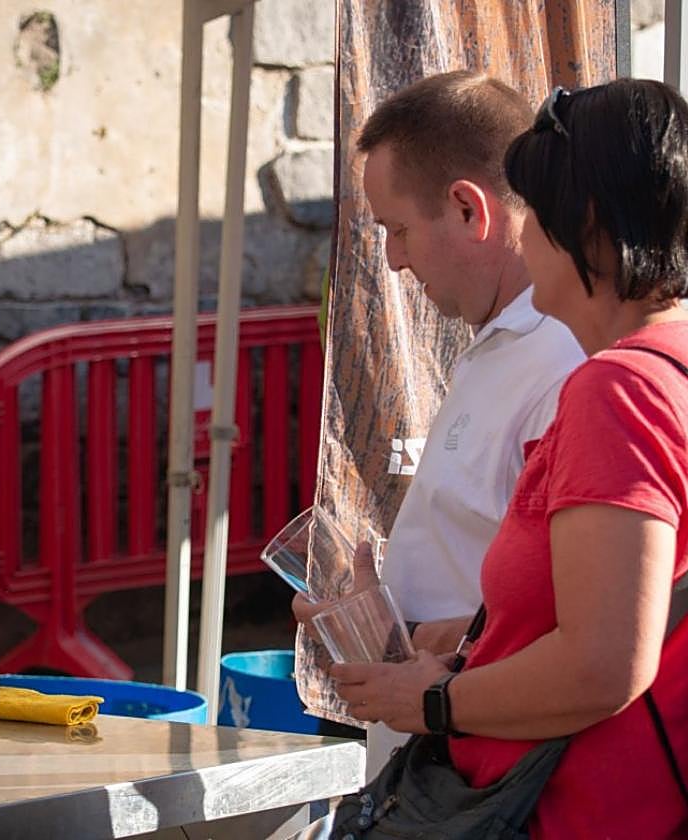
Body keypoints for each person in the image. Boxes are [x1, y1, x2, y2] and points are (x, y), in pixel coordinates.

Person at [332, 77, 688, 837]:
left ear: (582, 230)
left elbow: (605, 662)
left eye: (534, 217)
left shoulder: (615, 383)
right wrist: (450, 646)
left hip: (568, 808)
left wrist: (433, 701)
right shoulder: (658, 362)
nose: (521, 238)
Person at [293, 71, 584, 778]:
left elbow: (568, 621)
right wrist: (381, 618)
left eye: (398, 229)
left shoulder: (565, 361)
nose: (392, 259)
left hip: (502, 776)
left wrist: (403, 637)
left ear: (466, 208)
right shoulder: (501, 344)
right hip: (449, 759)